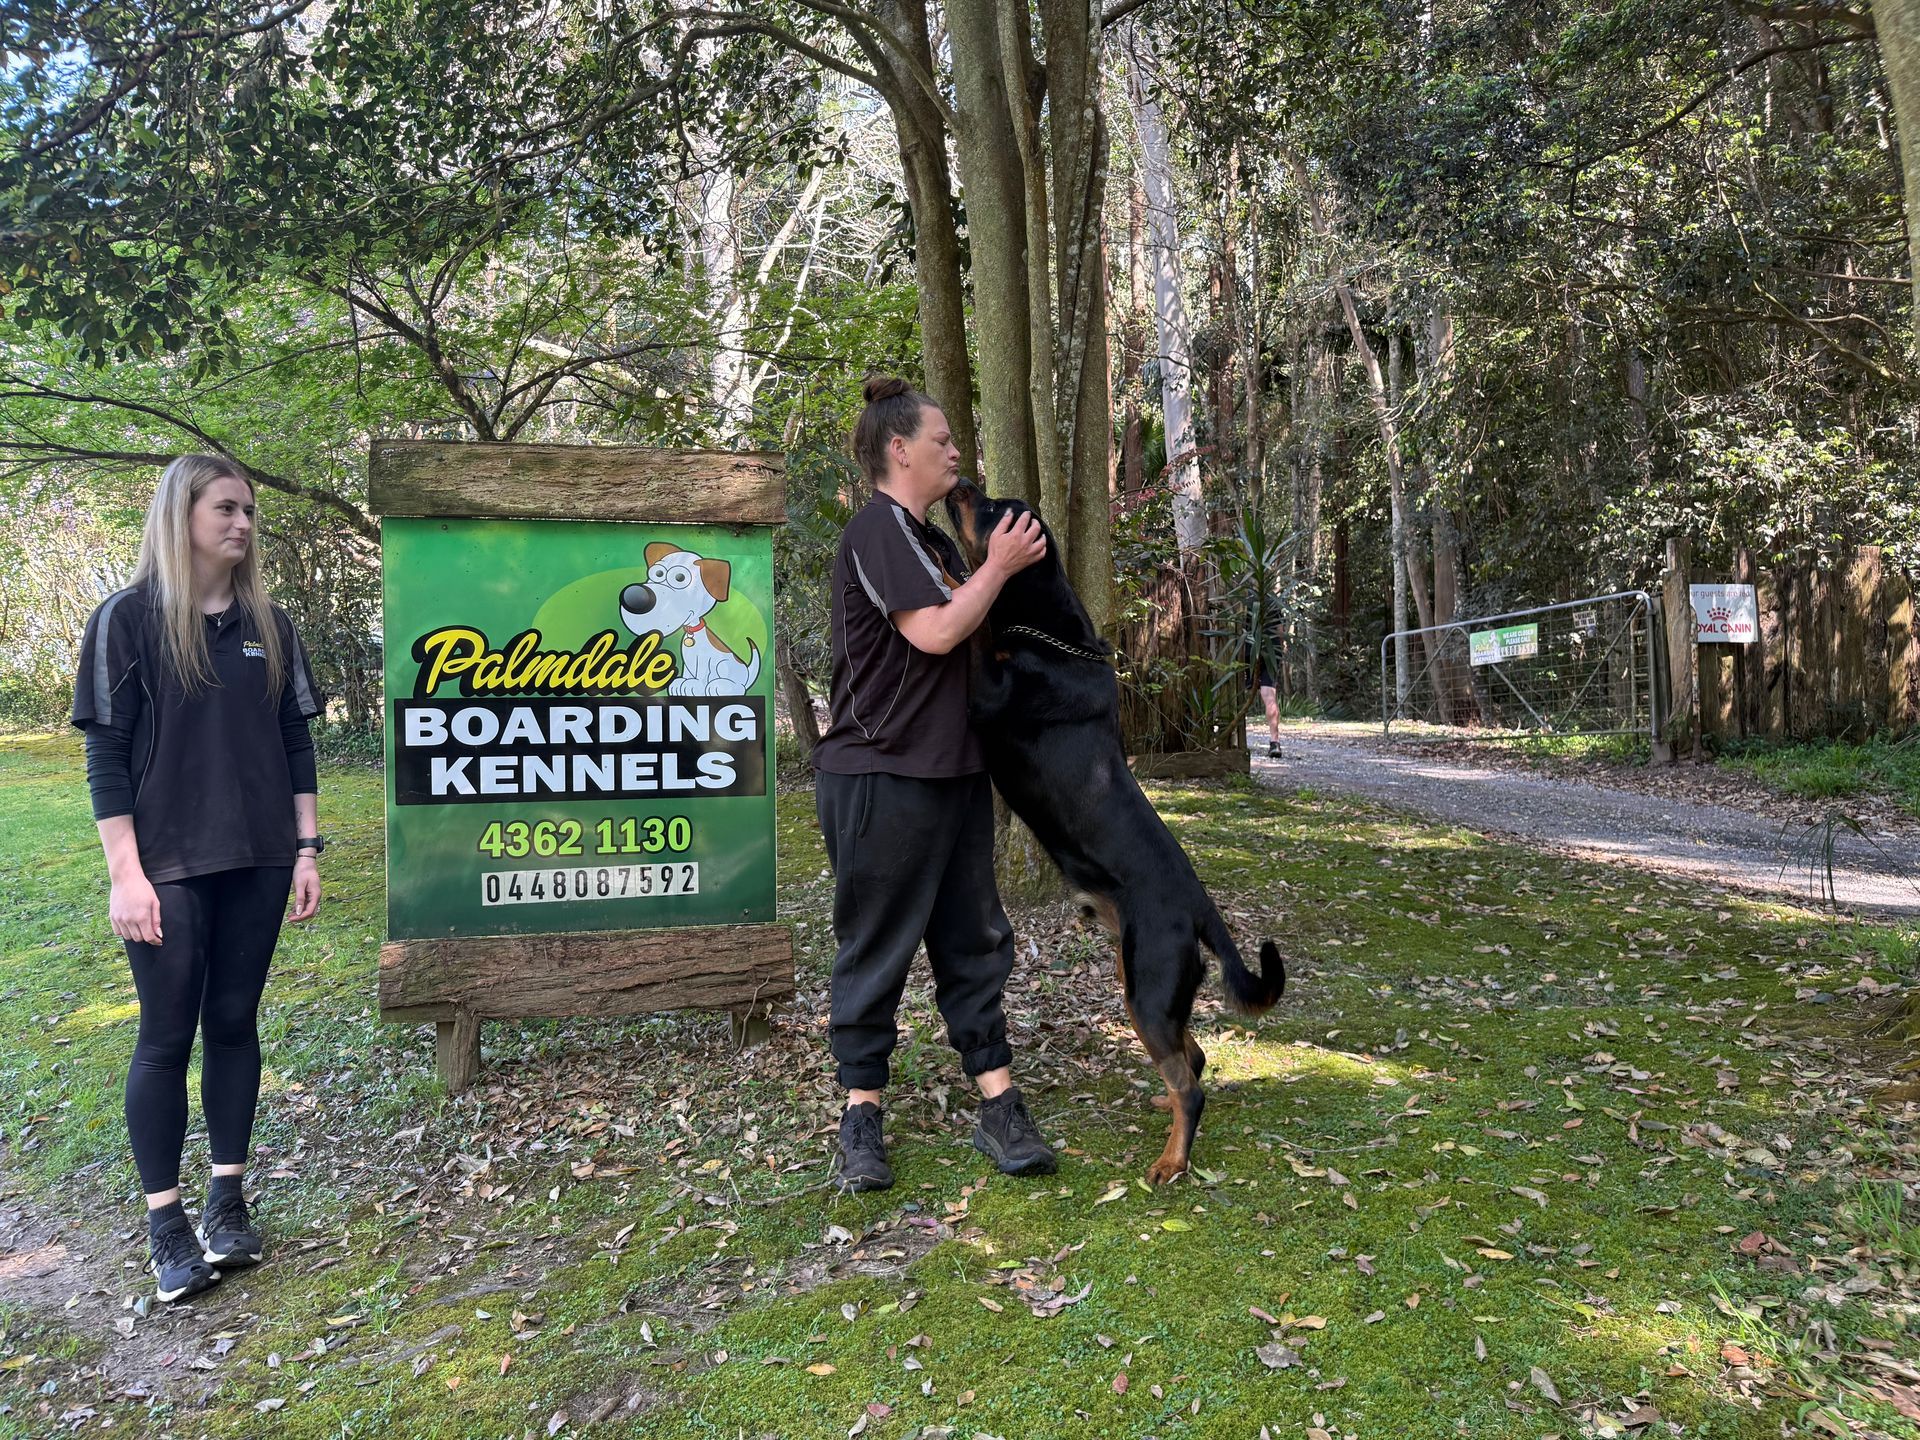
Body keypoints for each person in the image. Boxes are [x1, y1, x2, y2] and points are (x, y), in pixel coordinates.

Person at [71, 455, 324, 1303]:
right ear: (182, 514)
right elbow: (105, 756)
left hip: (256, 858)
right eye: (226, 508)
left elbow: (296, 742)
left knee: (233, 1023)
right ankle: (166, 1223)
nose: (242, 524)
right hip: (166, 867)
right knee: (165, 1037)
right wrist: (125, 875)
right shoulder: (127, 620)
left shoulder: (272, 625)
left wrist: (307, 849)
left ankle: (227, 1201)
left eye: (249, 509)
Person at [810, 375, 1056, 1192]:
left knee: (973, 943)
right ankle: (860, 1118)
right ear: (898, 448)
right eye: (943, 439)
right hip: (881, 776)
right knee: (877, 949)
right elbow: (941, 630)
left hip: (951, 774)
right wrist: (1001, 563)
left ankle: (999, 1104)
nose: (956, 450)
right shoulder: (877, 530)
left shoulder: (935, 544)